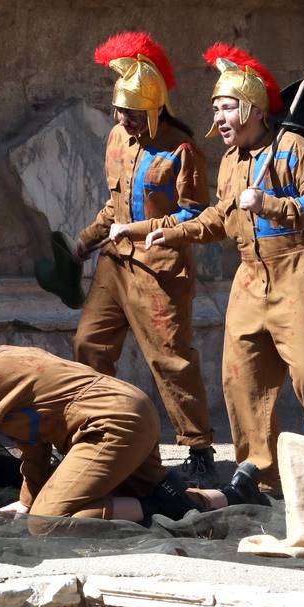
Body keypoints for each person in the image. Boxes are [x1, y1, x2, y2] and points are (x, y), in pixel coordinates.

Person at [112, 44, 304, 495]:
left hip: (300, 274)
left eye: (227, 108)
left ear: (253, 109)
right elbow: (221, 217)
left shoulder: (293, 149)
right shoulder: (230, 162)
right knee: (241, 379)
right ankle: (260, 477)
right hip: (249, 279)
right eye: (216, 109)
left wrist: (273, 204)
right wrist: (172, 232)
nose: (219, 118)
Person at [0, 312, 267, 524]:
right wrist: (27, 500)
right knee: (157, 493)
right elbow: (34, 441)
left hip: (110, 426)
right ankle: (234, 495)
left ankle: (162, 508)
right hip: (132, 410)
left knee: (48, 523)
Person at [74, 31, 217, 485]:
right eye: (119, 111)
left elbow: (194, 212)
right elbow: (113, 207)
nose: (124, 120)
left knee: (171, 359)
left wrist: (141, 231)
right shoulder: (116, 139)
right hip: (114, 265)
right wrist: (83, 242)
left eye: (134, 114)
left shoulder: (182, 149)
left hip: (160, 270)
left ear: (155, 109)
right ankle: (96, 429)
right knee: (87, 346)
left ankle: (198, 447)